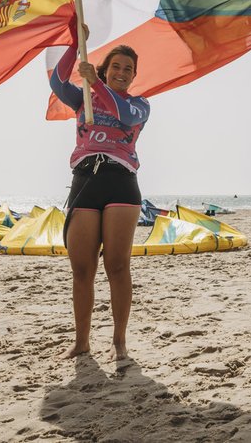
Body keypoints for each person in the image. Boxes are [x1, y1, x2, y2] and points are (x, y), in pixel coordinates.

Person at [49, 23, 150, 362]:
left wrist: (95, 82)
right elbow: (56, 82)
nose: (122, 73)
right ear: (106, 69)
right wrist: (76, 44)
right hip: (85, 182)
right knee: (82, 268)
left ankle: (119, 341)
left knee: (118, 265)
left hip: (120, 182)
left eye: (128, 69)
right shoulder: (83, 100)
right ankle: (81, 341)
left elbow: (121, 113)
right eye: (116, 67)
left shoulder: (139, 105)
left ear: (133, 76)